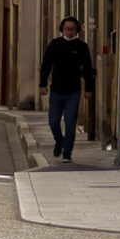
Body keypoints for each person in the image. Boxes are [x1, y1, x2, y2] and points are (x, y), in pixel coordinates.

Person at [39, 16, 94, 162]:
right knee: (53, 122)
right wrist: (42, 84)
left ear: (77, 30)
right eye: (67, 29)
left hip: (73, 91)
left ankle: (67, 153)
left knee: (70, 122)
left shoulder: (82, 47)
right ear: (62, 29)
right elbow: (46, 65)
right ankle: (60, 141)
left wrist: (89, 89)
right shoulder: (55, 45)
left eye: (73, 29)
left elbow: (87, 69)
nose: (70, 32)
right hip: (56, 90)